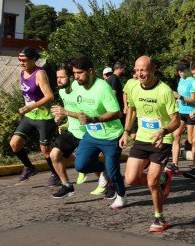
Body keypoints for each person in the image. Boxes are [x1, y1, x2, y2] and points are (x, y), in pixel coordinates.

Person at [120, 56, 180, 232]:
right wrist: (126, 132)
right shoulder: (132, 86)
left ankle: (159, 218)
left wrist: (164, 131)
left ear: (153, 69)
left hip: (162, 139)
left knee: (151, 182)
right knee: (130, 179)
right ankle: (164, 178)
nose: (139, 74)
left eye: (143, 70)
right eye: (137, 70)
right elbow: (131, 109)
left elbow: (176, 121)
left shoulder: (164, 91)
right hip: (141, 137)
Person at [66, 56, 125, 206]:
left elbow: (117, 113)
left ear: (90, 71)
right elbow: (77, 107)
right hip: (91, 134)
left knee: (113, 172)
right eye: (74, 73)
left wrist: (93, 119)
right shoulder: (75, 85)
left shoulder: (102, 88)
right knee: (81, 165)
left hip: (111, 136)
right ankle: (105, 168)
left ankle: (121, 195)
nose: (76, 76)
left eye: (79, 73)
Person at [48, 64, 105, 198]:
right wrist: (65, 122)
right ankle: (67, 186)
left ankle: (109, 183)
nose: (58, 80)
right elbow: (70, 112)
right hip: (72, 132)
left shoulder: (80, 90)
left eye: (62, 77)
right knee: (54, 155)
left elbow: (83, 114)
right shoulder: (62, 92)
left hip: (87, 133)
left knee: (90, 164)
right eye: (57, 77)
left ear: (71, 77)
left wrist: (64, 112)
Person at [10, 47, 56, 183]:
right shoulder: (22, 73)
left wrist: (30, 106)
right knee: (14, 144)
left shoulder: (40, 74)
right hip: (30, 116)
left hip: (44, 117)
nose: (21, 63)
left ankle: (56, 174)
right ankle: (29, 167)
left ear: (33, 59)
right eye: (19, 60)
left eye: (24, 60)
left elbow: (49, 96)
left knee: (45, 150)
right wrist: (27, 107)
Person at [171, 61, 195, 172]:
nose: (179, 72)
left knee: (191, 140)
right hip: (181, 111)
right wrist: (176, 99)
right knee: (176, 136)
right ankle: (175, 165)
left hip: (191, 112)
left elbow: (192, 100)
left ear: (188, 70)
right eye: (178, 70)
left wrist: (179, 97)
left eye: (182, 70)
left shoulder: (193, 81)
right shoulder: (181, 80)